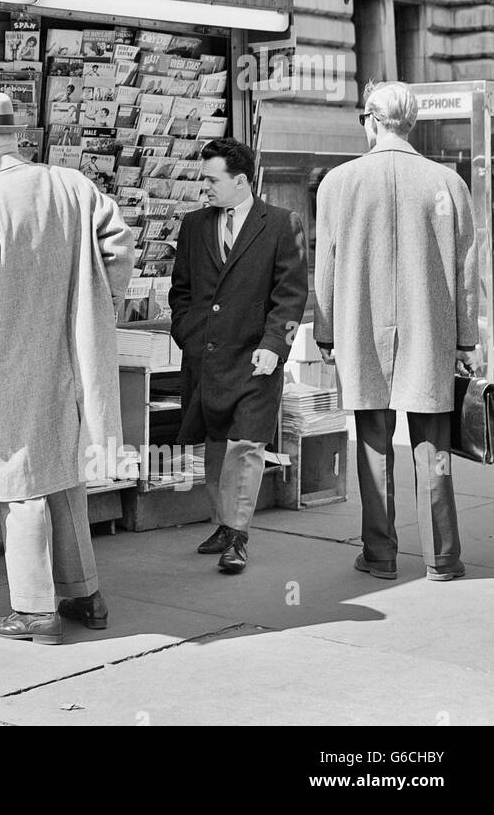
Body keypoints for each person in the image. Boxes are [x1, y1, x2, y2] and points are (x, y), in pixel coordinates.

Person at [0, 92, 133, 644]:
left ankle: (32, 611)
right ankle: (84, 594)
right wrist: (95, 306)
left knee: (18, 480)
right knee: (62, 474)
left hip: (6, 360)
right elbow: (118, 248)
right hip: (72, 355)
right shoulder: (74, 185)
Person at [314, 81, 479, 582]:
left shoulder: (337, 182)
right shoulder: (447, 182)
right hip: (430, 329)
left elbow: (327, 265)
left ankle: (381, 554)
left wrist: (325, 333)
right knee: (433, 445)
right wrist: (466, 340)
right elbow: (467, 270)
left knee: (372, 442)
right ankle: (442, 559)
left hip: (361, 327)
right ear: (412, 123)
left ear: (369, 119)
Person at [169, 137, 308, 574]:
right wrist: (187, 335)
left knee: (246, 444)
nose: (204, 187)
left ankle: (238, 535)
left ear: (241, 180)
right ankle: (224, 524)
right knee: (215, 442)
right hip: (206, 356)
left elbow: (291, 296)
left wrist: (274, 346)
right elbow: (182, 291)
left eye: (212, 180)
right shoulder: (194, 225)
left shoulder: (284, 224)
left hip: (256, 358)